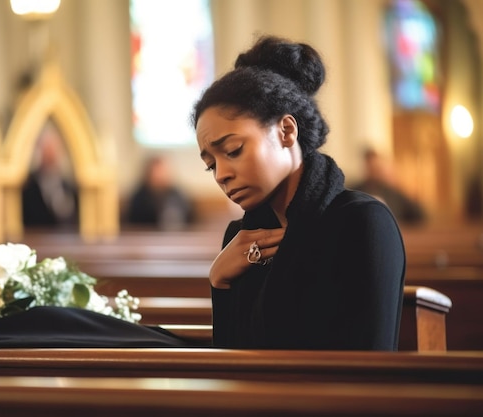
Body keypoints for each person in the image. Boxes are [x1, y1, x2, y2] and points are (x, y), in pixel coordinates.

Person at [192, 35, 405, 350]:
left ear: (286, 131)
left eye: (234, 150)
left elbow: (370, 371)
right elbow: (230, 367)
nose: (222, 175)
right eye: (211, 165)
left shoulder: (362, 222)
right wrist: (220, 283)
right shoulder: (241, 239)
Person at [22, 121, 79, 228]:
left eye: (54, 150)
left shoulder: (69, 187)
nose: (51, 156)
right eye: (47, 151)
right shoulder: (28, 189)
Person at [352, 148, 426, 226]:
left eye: (376, 167)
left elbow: (419, 214)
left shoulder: (393, 193)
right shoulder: (354, 191)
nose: (374, 170)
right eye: (370, 167)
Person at [126, 155, 195, 230]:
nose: (160, 176)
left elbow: (190, 220)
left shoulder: (178, 196)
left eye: (162, 172)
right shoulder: (139, 198)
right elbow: (134, 224)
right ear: (148, 174)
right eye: (157, 172)